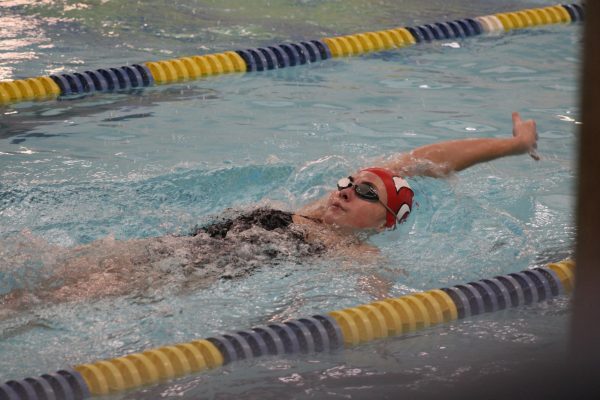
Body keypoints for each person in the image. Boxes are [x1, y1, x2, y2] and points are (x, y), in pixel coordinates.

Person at [0, 112, 539, 313]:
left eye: (366, 195)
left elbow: (379, 299)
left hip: (176, 275)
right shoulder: (311, 214)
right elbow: (421, 162)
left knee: (28, 305)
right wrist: (511, 145)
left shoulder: (348, 252)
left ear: (384, 225)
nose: (348, 190)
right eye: (350, 183)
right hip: (158, 251)